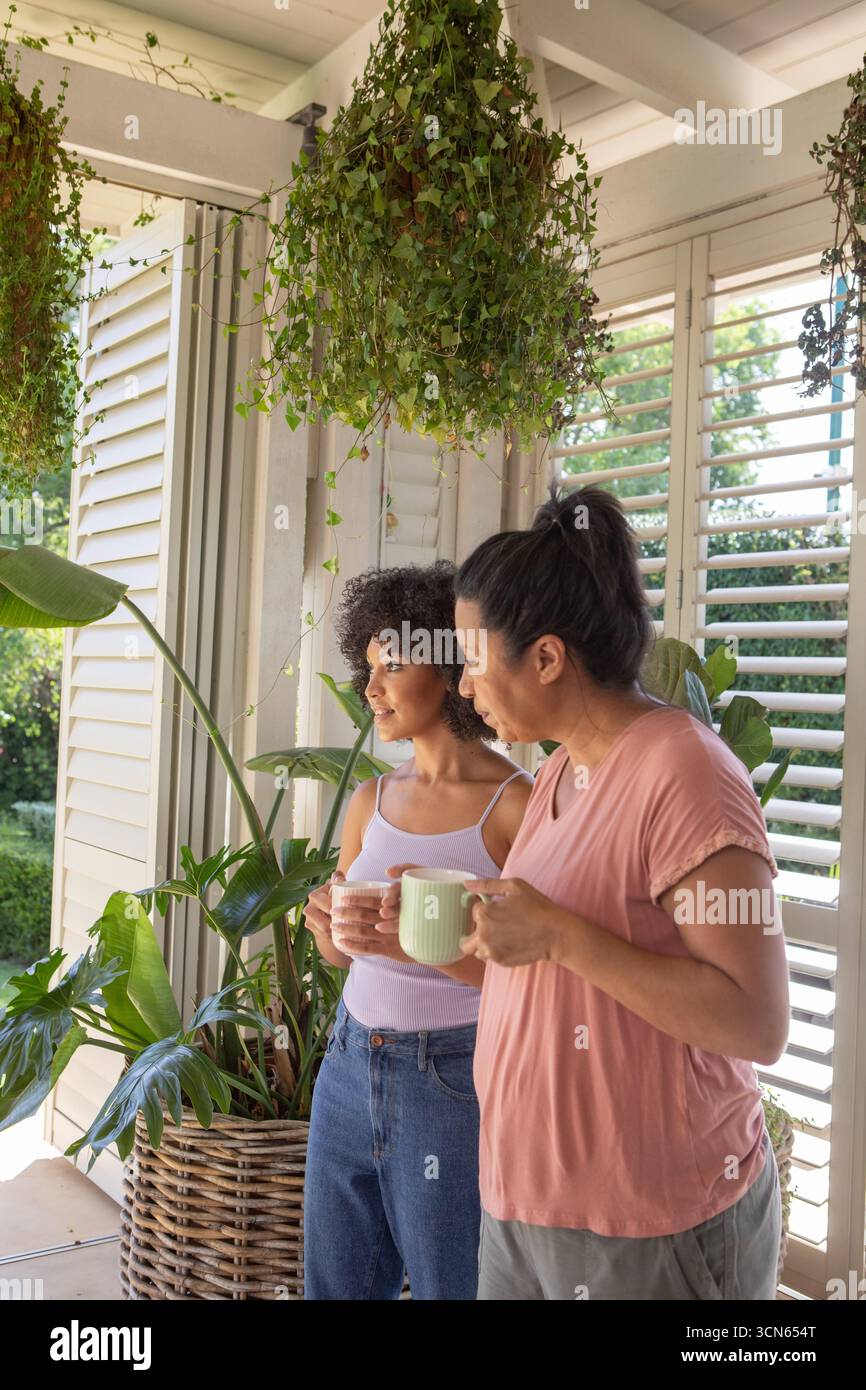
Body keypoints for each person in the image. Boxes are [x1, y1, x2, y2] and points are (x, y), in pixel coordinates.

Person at [449, 483, 789, 1301]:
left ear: (547, 658)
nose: (464, 687)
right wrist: (426, 943)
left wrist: (562, 933)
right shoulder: (564, 768)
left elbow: (756, 1020)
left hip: (651, 1230)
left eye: (472, 659)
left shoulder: (686, 773)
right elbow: (558, 979)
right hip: (524, 1208)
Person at [302, 560, 533, 1300]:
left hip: (450, 1078)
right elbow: (343, 953)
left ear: (447, 666)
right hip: (346, 1060)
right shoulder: (370, 798)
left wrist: (420, 944)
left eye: (391, 664)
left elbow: (532, 981)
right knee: (335, 1286)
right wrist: (326, 927)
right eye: (365, 667)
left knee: (449, 1285)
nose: (370, 688)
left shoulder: (512, 807)